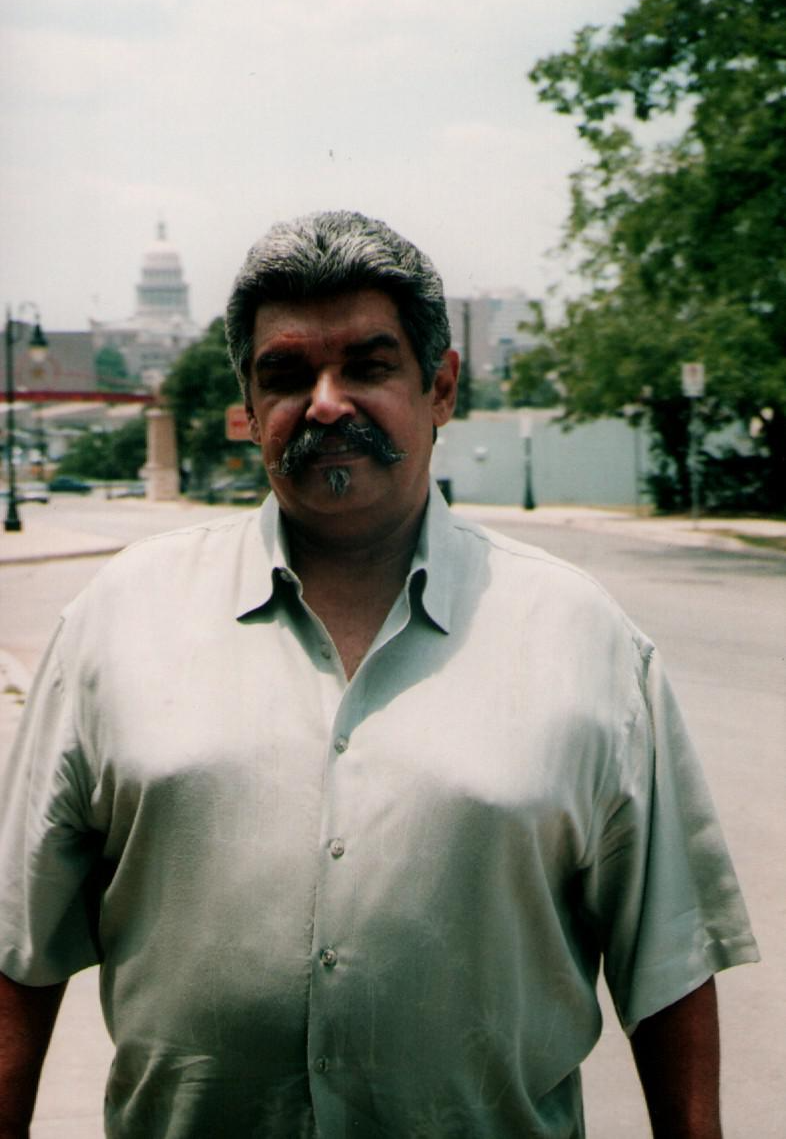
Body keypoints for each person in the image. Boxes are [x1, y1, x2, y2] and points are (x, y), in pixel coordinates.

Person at [0, 211, 758, 1139]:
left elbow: (671, 964)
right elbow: (15, 953)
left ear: (440, 387)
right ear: (245, 407)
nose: (325, 404)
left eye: (368, 365)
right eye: (285, 375)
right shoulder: (116, 625)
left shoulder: (585, 638)